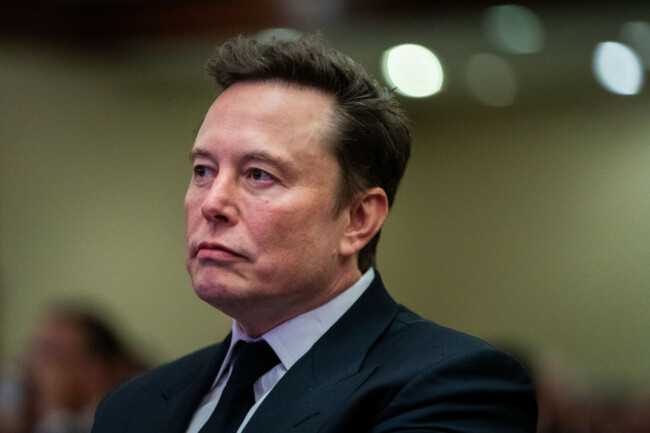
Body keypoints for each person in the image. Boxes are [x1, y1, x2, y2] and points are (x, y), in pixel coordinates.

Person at [91, 33, 537, 433]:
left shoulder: (454, 388)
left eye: (259, 174)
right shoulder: (131, 406)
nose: (212, 203)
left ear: (358, 219)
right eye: (204, 170)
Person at [22, 306, 147, 433]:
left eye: (52, 353)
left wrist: (54, 413)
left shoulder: (125, 421)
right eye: (36, 351)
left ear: (96, 368)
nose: (35, 364)